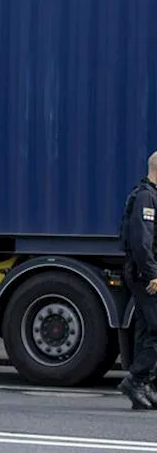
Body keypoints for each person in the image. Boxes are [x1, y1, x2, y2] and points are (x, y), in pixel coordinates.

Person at [118, 151, 157, 409]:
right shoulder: (146, 197)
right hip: (146, 274)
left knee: (147, 329)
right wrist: (153, 274)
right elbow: (141, 243)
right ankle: (136, 379)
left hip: (147, 272)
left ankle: (144, 385)